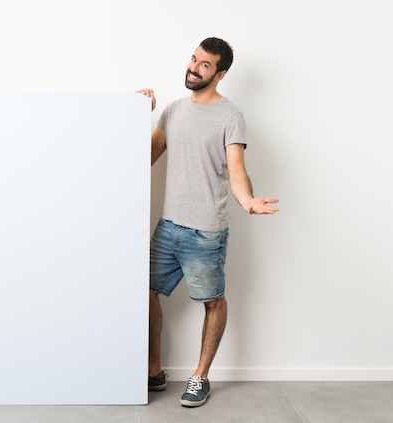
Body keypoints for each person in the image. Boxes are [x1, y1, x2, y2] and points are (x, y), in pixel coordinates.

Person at [138, 37, 279, 408]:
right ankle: (154, 370)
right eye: (193, 59)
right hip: (168, 226)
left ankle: (200, 377)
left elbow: (237, 172)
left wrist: (247, 200)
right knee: (145, 292)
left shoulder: (230, 117)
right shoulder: (172, 111)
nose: (194, 67)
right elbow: (139, 162)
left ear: (220, 74)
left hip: (206, 232)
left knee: (213, 302)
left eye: (204, 65)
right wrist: (135, 113)